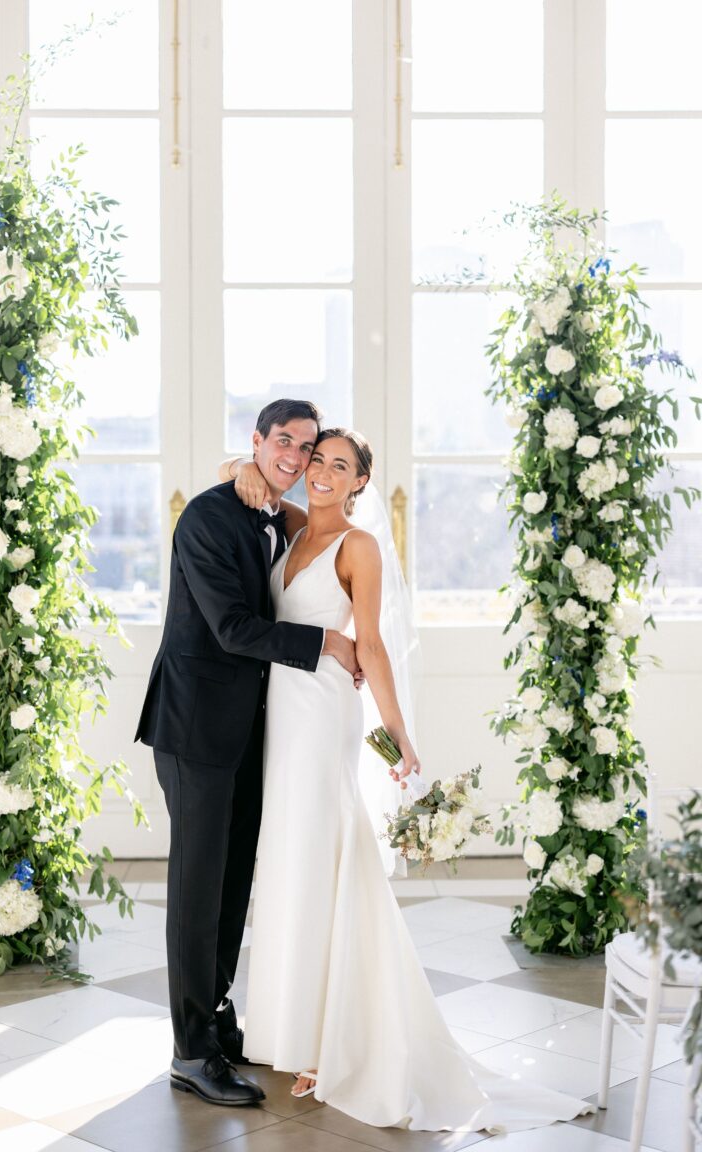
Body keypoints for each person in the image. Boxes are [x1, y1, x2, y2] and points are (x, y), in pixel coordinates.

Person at [226, 428, 595, 1133]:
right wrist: (246, 465)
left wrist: (397, 733)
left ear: (362, 481)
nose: (324, 473)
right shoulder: (296, 525)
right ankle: (293, 1024)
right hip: (281, 717)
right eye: (317, 460)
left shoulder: (356, 546)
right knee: (289, 865)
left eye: (341, 466)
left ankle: (337, 1038)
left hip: (323, 712)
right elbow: (234, 473)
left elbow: (370, 643)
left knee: (323, 858)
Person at [135, 399, 361, 1108]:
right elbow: (232, 628)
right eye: (284, 443)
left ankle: (217, 1016)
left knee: (232, 886)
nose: (297, 458)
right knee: (197, 893)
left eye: (309, 448)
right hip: (195, 730)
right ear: (258, 441)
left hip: (250, 731)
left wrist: (245, 473)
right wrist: (325, 642)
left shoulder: (275, 516)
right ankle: (188, 1052)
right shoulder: (206, 518)